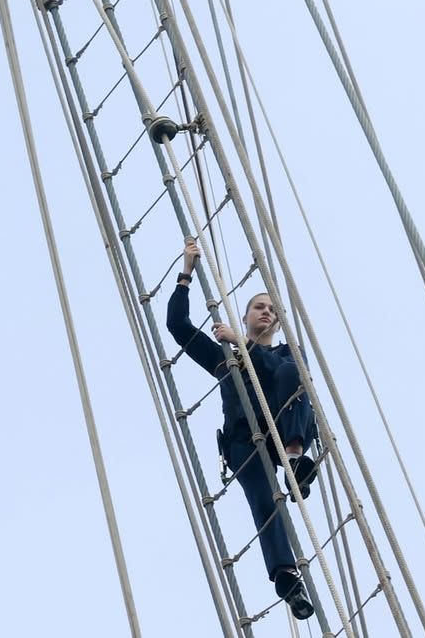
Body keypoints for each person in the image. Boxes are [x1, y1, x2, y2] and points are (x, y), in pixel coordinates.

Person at [166, 238, 318, 622]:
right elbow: (177, 326)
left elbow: (276, 373)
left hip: (282, 432)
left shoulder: (285, 355)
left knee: (291, 373)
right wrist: (186, 274)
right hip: (243, 443)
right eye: (258, 307)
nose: (265, 312)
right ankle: (286, 577)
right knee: (267, 502)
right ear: (246, 315)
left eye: (271, 309)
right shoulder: (225, 359)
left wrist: (244, 345)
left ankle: (296, 460)